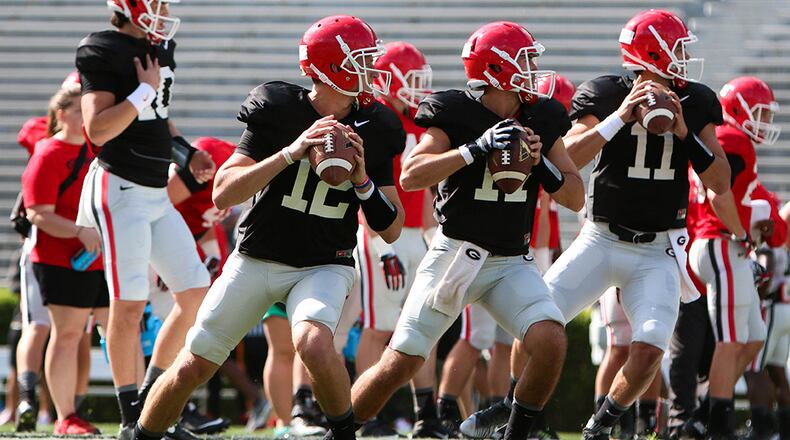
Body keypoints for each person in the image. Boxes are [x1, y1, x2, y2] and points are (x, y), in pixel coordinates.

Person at [132, 14, 405, 440]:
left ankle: (344, 434)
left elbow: (391, 228)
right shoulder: (278, 108)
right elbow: (223, 192)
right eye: (362, 59)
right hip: (257, 257)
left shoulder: (379, 125)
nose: (372, 69)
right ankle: (141, 433)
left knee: (314, 343)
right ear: (332, 67)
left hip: (323, 264)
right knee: (193, 363)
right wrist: (291, 152)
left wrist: (363, 181)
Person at [345, 20, 584, 440]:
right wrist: (476, 148)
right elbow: (413, 175)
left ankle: (515, 433)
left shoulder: (542, 116)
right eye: (524, 60)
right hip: (457, 254)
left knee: (550, 340)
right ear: (496, 70)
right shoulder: (454, 110)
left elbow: (575, 197)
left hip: (511, 260)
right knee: (399, 362)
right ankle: (341, 432)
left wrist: (539, 160)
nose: (532, 70)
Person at [542, 9, 732, 440]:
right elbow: (568, 156)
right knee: (537, 319)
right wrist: (620, 118)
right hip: (601, 237)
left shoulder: (697, 100)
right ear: (652, 53)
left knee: (648, 349)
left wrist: (685, 133)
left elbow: (719, 181)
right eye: (677, 48)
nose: (684, 57)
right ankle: (516, 415)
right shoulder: (607, 92)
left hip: (658, 247)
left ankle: (600, 426)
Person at [75, 0, 214, 437]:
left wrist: (186, 153)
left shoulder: (160, 47)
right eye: (154, 3)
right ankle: (129, 414)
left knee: (195, 292)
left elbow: (157, 119)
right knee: (129, 304)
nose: (162, 9)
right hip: (119, 190)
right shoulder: (101, 48)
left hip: (156, 191)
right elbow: (96, 129)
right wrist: (142, 91)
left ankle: (152, 398)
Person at [353, 40, 446, 438]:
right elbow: (365, 184)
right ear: (388, 80)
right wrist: (377, 241)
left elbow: (424, 190)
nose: (419, 87)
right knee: (379, 326)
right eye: (411, 78)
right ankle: (365, 415)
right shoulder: (374, 120)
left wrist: (430, 236)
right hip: (380, 235)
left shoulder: (420, 124)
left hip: (414, 235)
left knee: (420, 326)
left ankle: (426, 414)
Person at [688, 76, 781, 438]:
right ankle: (718, 426)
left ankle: (705, 410)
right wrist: (742, 233)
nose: (765, 123)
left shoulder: (729, 139)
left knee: (752, 339)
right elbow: (718, 195)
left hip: (726, 243)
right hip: (721, 241)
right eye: (759, 113)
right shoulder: (733, 139)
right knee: (729, 342)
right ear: (739, 109)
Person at [22, 84, 110, 434]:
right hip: (60, 259)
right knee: (68, 334)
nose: (86, 118)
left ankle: (133, 406)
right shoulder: (48, 151)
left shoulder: (97, 150)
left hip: (101, 258)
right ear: (60, 115)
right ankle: (65, 416)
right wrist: (79, 232)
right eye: (78, 111)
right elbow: (37, 213)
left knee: (121, 329)